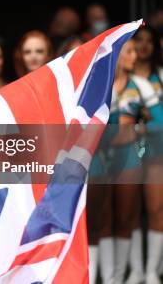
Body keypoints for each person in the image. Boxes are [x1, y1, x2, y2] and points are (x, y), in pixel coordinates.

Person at [87, 38, 138, 283]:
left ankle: (116, 277)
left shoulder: (129, 88)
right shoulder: (94, 86)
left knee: (121, 218)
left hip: (119, 159)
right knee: (100, 221)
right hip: (97, 159)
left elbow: (125, 132)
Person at [123, 26, 163, 284]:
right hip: (125, 152)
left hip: (157, 151)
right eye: (139, 40)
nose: (145, 46)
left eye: (150, 41)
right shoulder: (120, 79)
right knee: (130, 211)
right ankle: (136, 270)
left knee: (157, 208)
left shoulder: (161, 76)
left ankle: (151, 271)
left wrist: (144, 123)